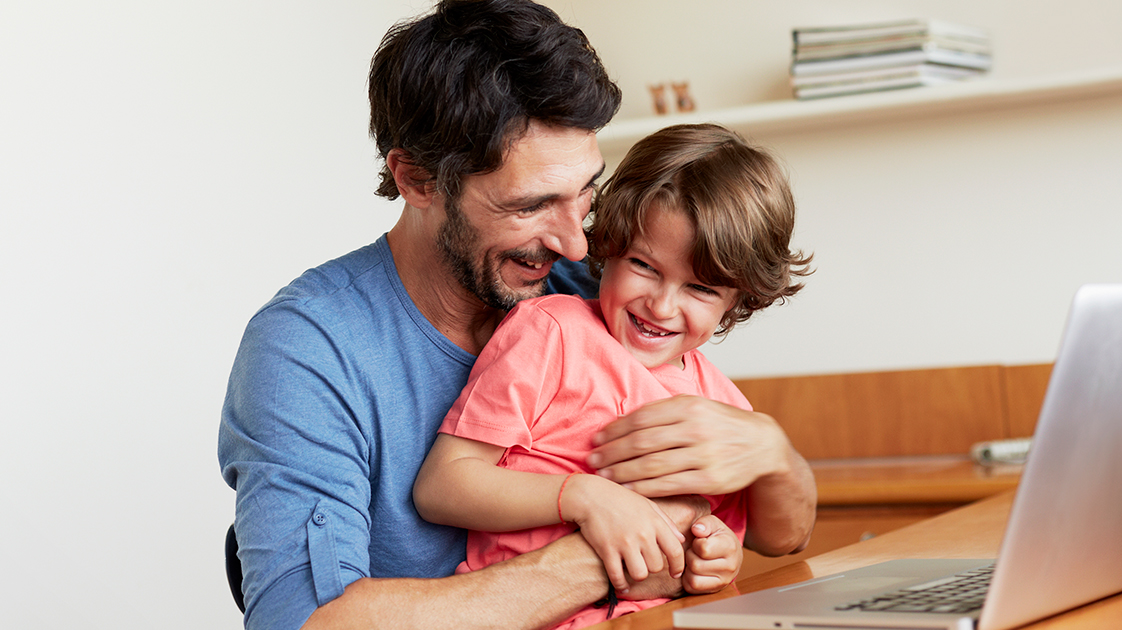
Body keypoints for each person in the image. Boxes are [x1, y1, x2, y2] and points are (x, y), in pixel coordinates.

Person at [217, 1, 817, 629]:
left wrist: (772, 454)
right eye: (530, 205)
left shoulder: (592, 289)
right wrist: (630, 542)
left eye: (584, 190)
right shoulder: (309, 350)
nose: (578, 243)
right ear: (418, 180)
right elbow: (305, 623)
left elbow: (785, 532)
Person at [414, 123, 817, 629]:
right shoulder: (550, 332)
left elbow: (773, 538)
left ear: (739, 299)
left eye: (700, 288)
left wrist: (716, 554)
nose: (662, 305)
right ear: (609, 246)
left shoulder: (721, 406)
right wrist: (583, 497)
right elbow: (441, 486)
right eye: (644, 265)